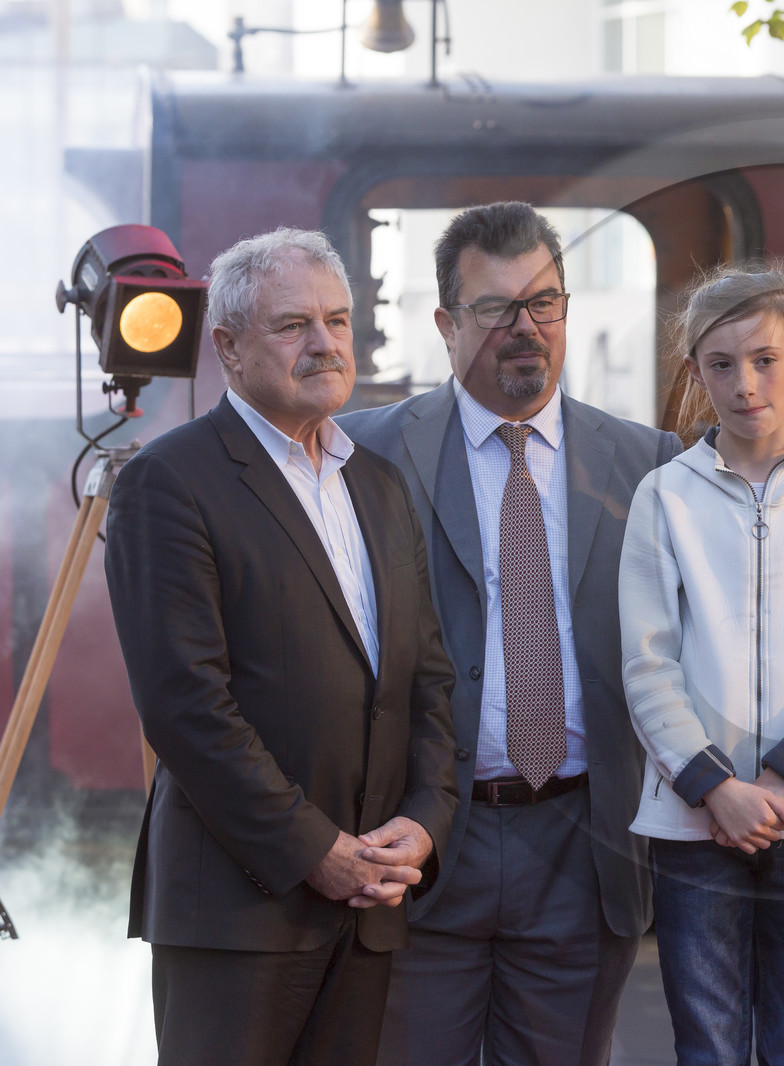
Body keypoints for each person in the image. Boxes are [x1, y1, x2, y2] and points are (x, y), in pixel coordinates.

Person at [104, 227, 459, 1066]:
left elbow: (427, 680)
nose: (326, 343)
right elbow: (186, 708)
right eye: (294, 324)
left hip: (369, 901)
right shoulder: (170, 481)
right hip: (237, 910)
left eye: (337, 320)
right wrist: (317, 853)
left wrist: (426, 822)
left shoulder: (375, 481)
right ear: (226, 347)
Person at [340, 202, 679, 1066]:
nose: (524, 328)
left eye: (544, 303)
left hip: (582, 838)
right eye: (495, 308)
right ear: (448, 323)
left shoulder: (651, 464)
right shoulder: (364, 457)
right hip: (425, 841)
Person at [618, 265, 784, 1066]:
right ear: (696, 371)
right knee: (705, 1044)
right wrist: (713, 787)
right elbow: (646, 662)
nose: (745, 384)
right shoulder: (662, 495)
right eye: (722, 364)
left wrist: (778, 782)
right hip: (692, 820)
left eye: (766, 359)